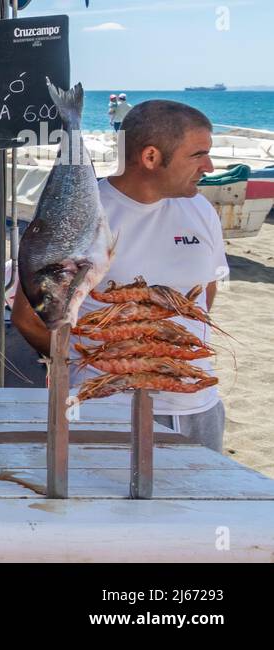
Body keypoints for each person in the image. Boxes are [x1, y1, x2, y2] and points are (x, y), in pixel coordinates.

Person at [12, 100, 227, 452]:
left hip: (199, 405)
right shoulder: (82, 209)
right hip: (107, 407)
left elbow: (205, 292)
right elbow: (29, 318)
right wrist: (87, 369)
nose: (209, 166)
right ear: (151, 157)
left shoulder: (200, 208)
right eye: (198, 155)